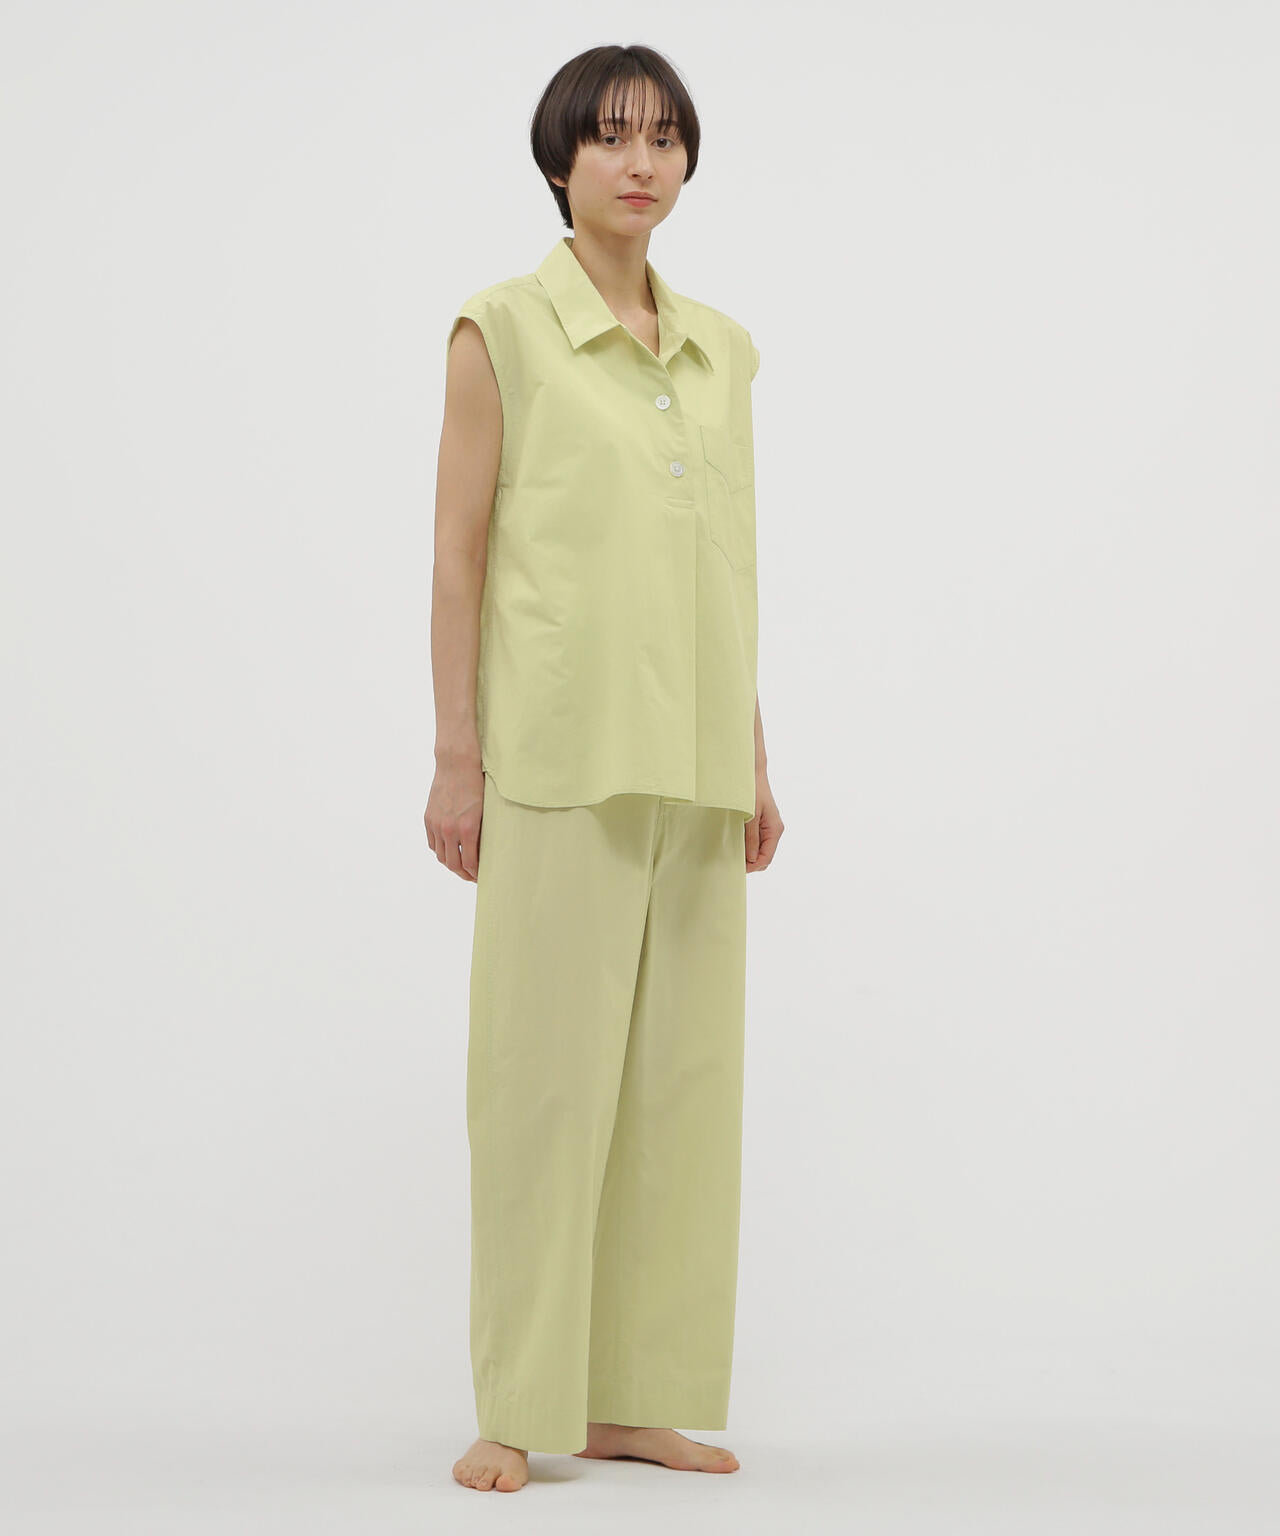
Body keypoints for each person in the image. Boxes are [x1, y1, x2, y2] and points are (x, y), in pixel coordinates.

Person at [425, 43, 784, 1495]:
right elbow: (459, 555)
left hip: (696, 763)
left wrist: (751, 749)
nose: (642, 163)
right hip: (560, 754)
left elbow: (725, 565)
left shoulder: (722, 351)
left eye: (665, 138)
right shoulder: (501, 330)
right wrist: (458, 755)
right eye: (612, 136)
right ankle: (516, 1405)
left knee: (681, 1092)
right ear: (561, 159)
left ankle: (635, 1397)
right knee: (544, 1087)